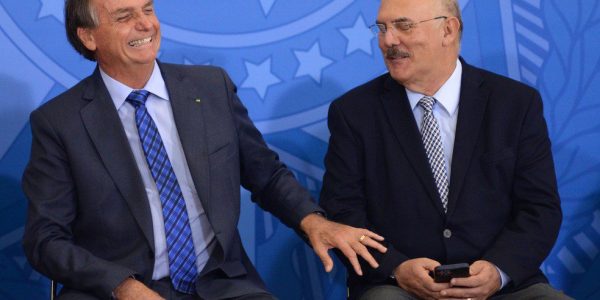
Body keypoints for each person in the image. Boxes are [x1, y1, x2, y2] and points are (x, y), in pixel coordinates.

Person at [21, 0, 388, 299]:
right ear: (88, 37)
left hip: (223, 285)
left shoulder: (210, 88)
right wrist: (122, 286)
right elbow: (45, 240)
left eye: (148, 10)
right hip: (118, 290)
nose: (145, 24)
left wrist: (314, 222)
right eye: (124, 16)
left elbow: (267, 175)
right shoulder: (61, 123)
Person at [319, 0, 570, 299]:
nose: (388, 40)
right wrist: (397, 267)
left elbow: (539, 209)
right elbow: (344, 214)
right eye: (382, 28)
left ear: (448, 30)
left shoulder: (515, 104)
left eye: (403, 26)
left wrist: (497, 271)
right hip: (397, 287)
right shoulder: (354, 112)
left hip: (501, 288)